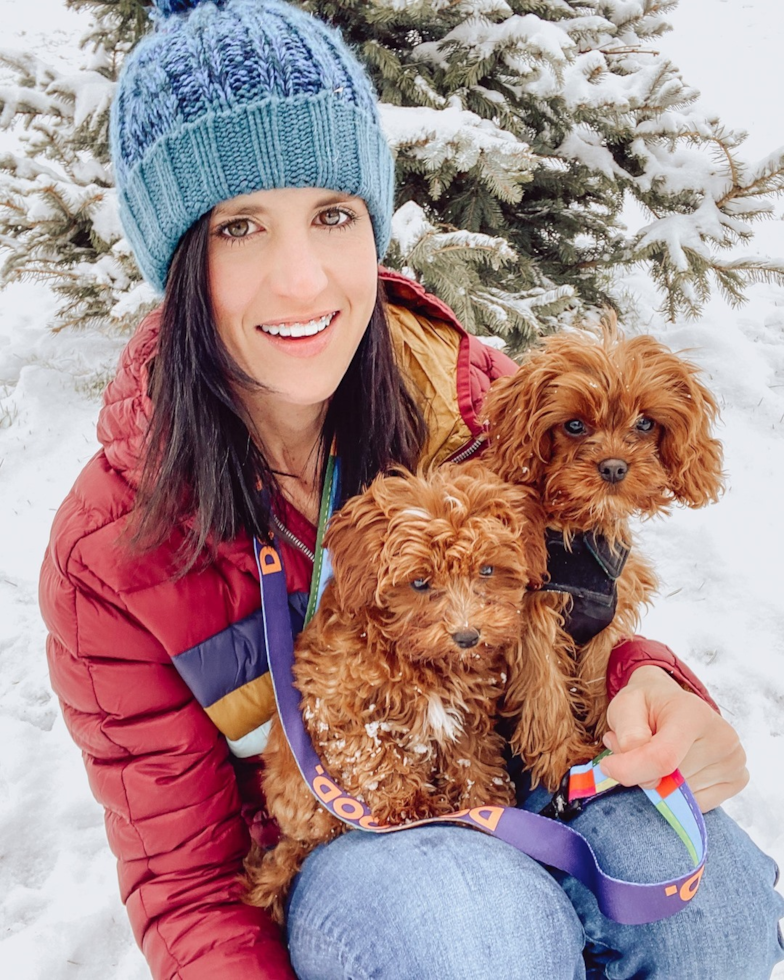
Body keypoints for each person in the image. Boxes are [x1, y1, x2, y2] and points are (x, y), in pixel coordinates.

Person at [38, 1, 783, 978]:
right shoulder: (114, 551)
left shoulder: (477, 399)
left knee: (713, 894)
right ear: (178, 260)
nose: (301, 278)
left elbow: (573, 595)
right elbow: (190, 887)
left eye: (333, 213)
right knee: (472, 920)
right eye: (241, 226)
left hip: (526, 767)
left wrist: (657, 684)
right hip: (355, 847)